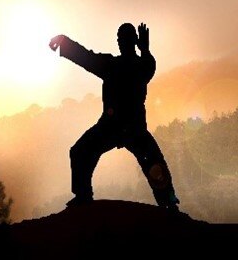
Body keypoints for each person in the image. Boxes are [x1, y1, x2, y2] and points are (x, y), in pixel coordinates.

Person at [49, 22, 179, 210]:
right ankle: (168, 201)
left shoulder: (114, 65)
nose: (120, 42)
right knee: (82, 152)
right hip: (127, 128)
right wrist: (145, 49)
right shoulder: (138, 65)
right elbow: (86, 57)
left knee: (82, 152)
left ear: (130, 41)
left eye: (122, 39)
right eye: (120, 39)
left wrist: (63, 41)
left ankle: (84, 196)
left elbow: (86, 57)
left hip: (118, 127)